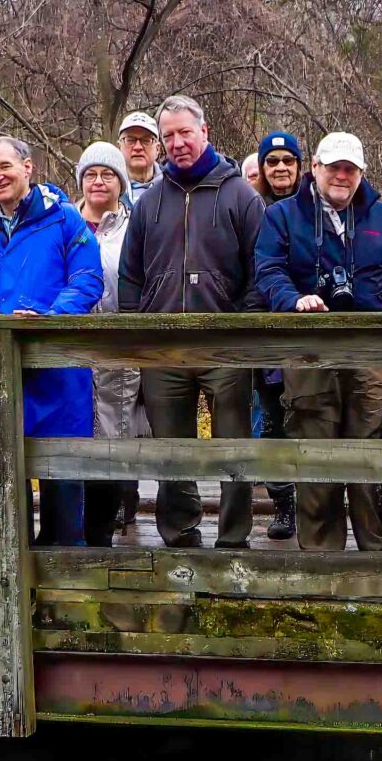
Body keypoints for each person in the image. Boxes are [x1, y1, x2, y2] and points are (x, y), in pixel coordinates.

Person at [119, 95, 267, 548]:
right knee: (171, 448)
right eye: (170, 136)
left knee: (233, 446)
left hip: (225, 344)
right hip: (164, 345)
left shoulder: (240, 195)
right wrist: (137, 333)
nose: (178, 142)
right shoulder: (150, 202)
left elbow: (260, 271)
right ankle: (179, 529)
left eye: (186, 132)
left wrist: (243, 330)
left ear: (204, 132)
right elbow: (130, 275)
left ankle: (235, 533)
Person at [254, 131, 382, 551]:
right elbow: (267, 269)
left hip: (369, 354)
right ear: (316, 168)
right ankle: (321, 564)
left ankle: (377, 563)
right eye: (334, 167)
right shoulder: (284, 216)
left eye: (350, 169)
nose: (341, 176)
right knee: (316, 460)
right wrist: (293, 299)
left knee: (370, 460)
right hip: (309, 354)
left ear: (360, 173)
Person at [0, 135, 102, 545]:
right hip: (1, 371)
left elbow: (87, 278)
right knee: (9, 476)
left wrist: (51, 317)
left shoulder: (64, 218)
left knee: (61, 475)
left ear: (28, 167)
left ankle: (64, 579)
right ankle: (15, 570)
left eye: (4, 166)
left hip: (56, 368)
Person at [74, 141, 140, 546]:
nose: (99, 182)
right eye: (91, 175)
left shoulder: (135, 227)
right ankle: (70, 533)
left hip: (119, 349)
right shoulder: (64, 223)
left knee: (114, 443)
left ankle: (103, 536)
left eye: (108, 174)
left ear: (121, 182)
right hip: (72, 349)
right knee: (72, 441)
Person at [251, 130, 307, 537]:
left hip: (308, 334)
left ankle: (315, 505)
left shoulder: (315, 209)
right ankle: (284, 506)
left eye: (288, 160)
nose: (281, 168)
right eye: (273, 162)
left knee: (312, 421)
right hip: (266, 335)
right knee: (273, 425)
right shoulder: (250, 209)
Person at [117, 111, 161, 206]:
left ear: (158, 149)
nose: (138, 147)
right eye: (130, 140)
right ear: (119, 147)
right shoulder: (106, 189)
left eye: (146, 140)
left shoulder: (173, 188)